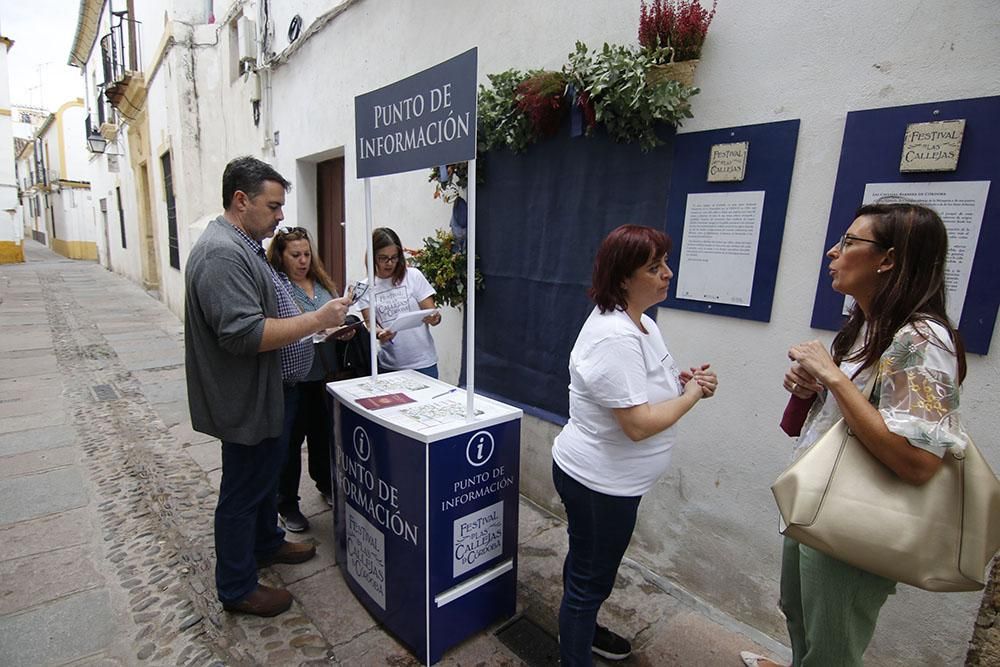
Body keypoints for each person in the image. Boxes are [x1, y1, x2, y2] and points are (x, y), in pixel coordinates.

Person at [740, 202, 969, 667]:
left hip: (857, 517)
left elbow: (918, 461)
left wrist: (836, 378)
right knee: (799, 613)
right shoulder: (868, 325)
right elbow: (858, 416)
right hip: (816, 499)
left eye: (848, 242)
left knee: (833, 647)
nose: (832, 251)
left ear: (887, 259)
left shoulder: (923, 341)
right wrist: (818, 386)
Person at [185, 156, 350, 617]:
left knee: (260, 481)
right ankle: (237, 586)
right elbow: (242, 334)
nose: (281, 217)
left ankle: (267, 542)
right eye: (273, 206)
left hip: (267, 392)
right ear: (242, 201)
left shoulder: (241, 245)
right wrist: (317, 319)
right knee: (241, 491)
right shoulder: (222, 253)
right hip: (245, 400)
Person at [551, 224, 717, 665]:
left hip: (608, 481)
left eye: (665, 263)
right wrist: (692, 396)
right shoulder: (614, 337)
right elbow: (639, 425)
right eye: (655, 267)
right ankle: (576, 649)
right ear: (624, 277)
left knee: (587, 565)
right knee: (591, 580)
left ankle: (583, 631)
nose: (668, 273)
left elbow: (641, 389)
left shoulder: (639, 322)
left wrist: (681, 383)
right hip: (599, 485)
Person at [267, 226, 356, 532]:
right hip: (294, 378)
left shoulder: (320, 285)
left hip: (326, 376)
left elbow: (333, 318)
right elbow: (282, 328)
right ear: (281, 256)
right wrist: (318, 328)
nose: (303, 261)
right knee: (290, 444)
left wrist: (343, 327)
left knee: (323, 436)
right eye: (295, 255)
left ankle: (325, 484)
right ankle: (287, 504)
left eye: (307, 254)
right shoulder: (277, 286)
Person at [357, 227, 442, 378]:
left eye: (394, 257)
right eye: (383, 258)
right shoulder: (364, 287)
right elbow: (370, 325)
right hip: (389, 365)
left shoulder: (413, 276)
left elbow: (432, 313)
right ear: (372, 257)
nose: (389, 263)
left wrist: (434, 318)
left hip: (423, 363)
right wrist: (380, 334)